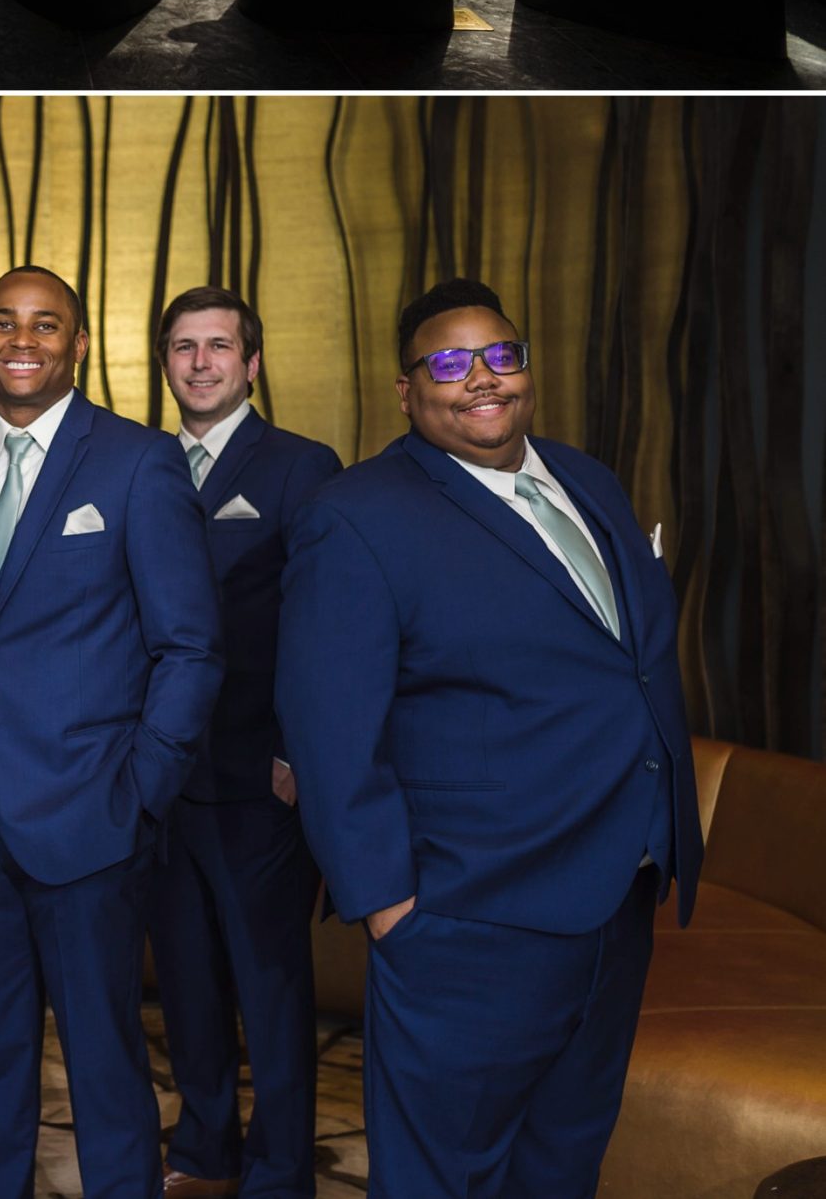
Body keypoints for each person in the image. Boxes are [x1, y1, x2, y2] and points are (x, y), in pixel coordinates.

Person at [276, 277, 701, 1199]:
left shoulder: (585, 478)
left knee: (562, 1159)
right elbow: (329, 733)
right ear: (406, 387)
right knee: (444, 1176)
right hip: (470, 914)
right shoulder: (356, 517)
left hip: (616, 895)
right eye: (449, 361)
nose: (482, 379)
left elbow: (623, 664)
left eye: (500, 355)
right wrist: (391, 909)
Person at [0, 266, 222, 1199]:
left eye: (45, 324)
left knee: (104, 1063)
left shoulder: (139, 463)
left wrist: (141, 789)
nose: (22, 339)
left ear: (79, 345)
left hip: (91, 818)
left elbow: (188, 648)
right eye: (2, 323)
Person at [146, 286, 341, 1199]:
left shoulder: (303, 468)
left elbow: (324, 626)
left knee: (269, 992)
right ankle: (203, 1151)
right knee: (185, 985)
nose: (199, 363)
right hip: (155, 779)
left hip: (259, 776)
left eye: (218, 346)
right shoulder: (140, 464)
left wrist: (301, 754)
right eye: (183, 347)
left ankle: (279, 1172)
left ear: (252, 363)